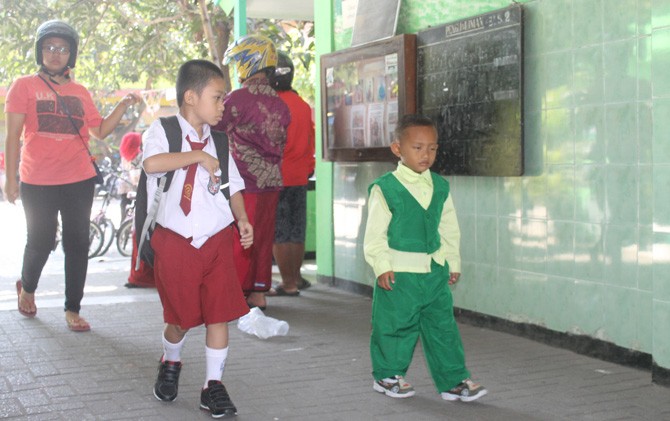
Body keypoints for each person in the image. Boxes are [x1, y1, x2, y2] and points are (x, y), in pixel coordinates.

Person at [4, 20, 140, 331]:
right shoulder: (23, 86)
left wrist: (122, 105)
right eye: (49, 48)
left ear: (71, 54)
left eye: (62, 49)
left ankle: (72, 309)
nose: (55, 54)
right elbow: (12, 136)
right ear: (40, 50)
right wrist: (10, 180)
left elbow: (100, 130)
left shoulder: (80, 91)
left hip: (78, 178)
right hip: (37, 180)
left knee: (78, 243)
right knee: (40, 241)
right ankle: (27, 287)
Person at [143, 59, 253, 418]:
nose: (223, 106)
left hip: (217, 239)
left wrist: (242, 219)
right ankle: (171, 361)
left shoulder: (220, 142)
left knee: (218, 315)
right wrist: (196, 156)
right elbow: (151, 164)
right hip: (175, 239)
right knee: (181, 319)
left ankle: (212, 386)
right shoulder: (163, 130)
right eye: (218, 98)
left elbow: (232, 186)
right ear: (191, 97)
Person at [363, 114, 488, 402]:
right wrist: (382, 266)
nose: (426, 155)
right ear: (398, 149)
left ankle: (453, 380)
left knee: (443, 327)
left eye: (432, 148)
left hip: (434, 272)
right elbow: (375, 235)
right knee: (394, 326)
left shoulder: (441, 187)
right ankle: (387, 375)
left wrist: (452, 262)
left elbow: (449, 228)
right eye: (418, 148)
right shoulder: (386, 188)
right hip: (398, 274)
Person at [213, 35, 290, 310]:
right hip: (272, 182)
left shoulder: (237, 99)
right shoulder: (281, 104)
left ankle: (234, 292)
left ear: (248, 62)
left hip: (244, 183)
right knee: (263, 238)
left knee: (241, 236)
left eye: (237, 62)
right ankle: (258, 293)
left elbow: (213, 127)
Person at [267, 51, 315, 297]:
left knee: (280, 233)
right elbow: (311, 142)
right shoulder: (304, 106)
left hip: (276, 177)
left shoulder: (271, 106)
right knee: (296, 231)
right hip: (299, 177)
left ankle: (288, 284)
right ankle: (295, 277)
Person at [118, 131, 155, 289]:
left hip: (132, 197)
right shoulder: (143, 157)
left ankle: (138, 275)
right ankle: (146, 276)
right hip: (147, 200)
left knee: (138, 236)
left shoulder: (126, 158)